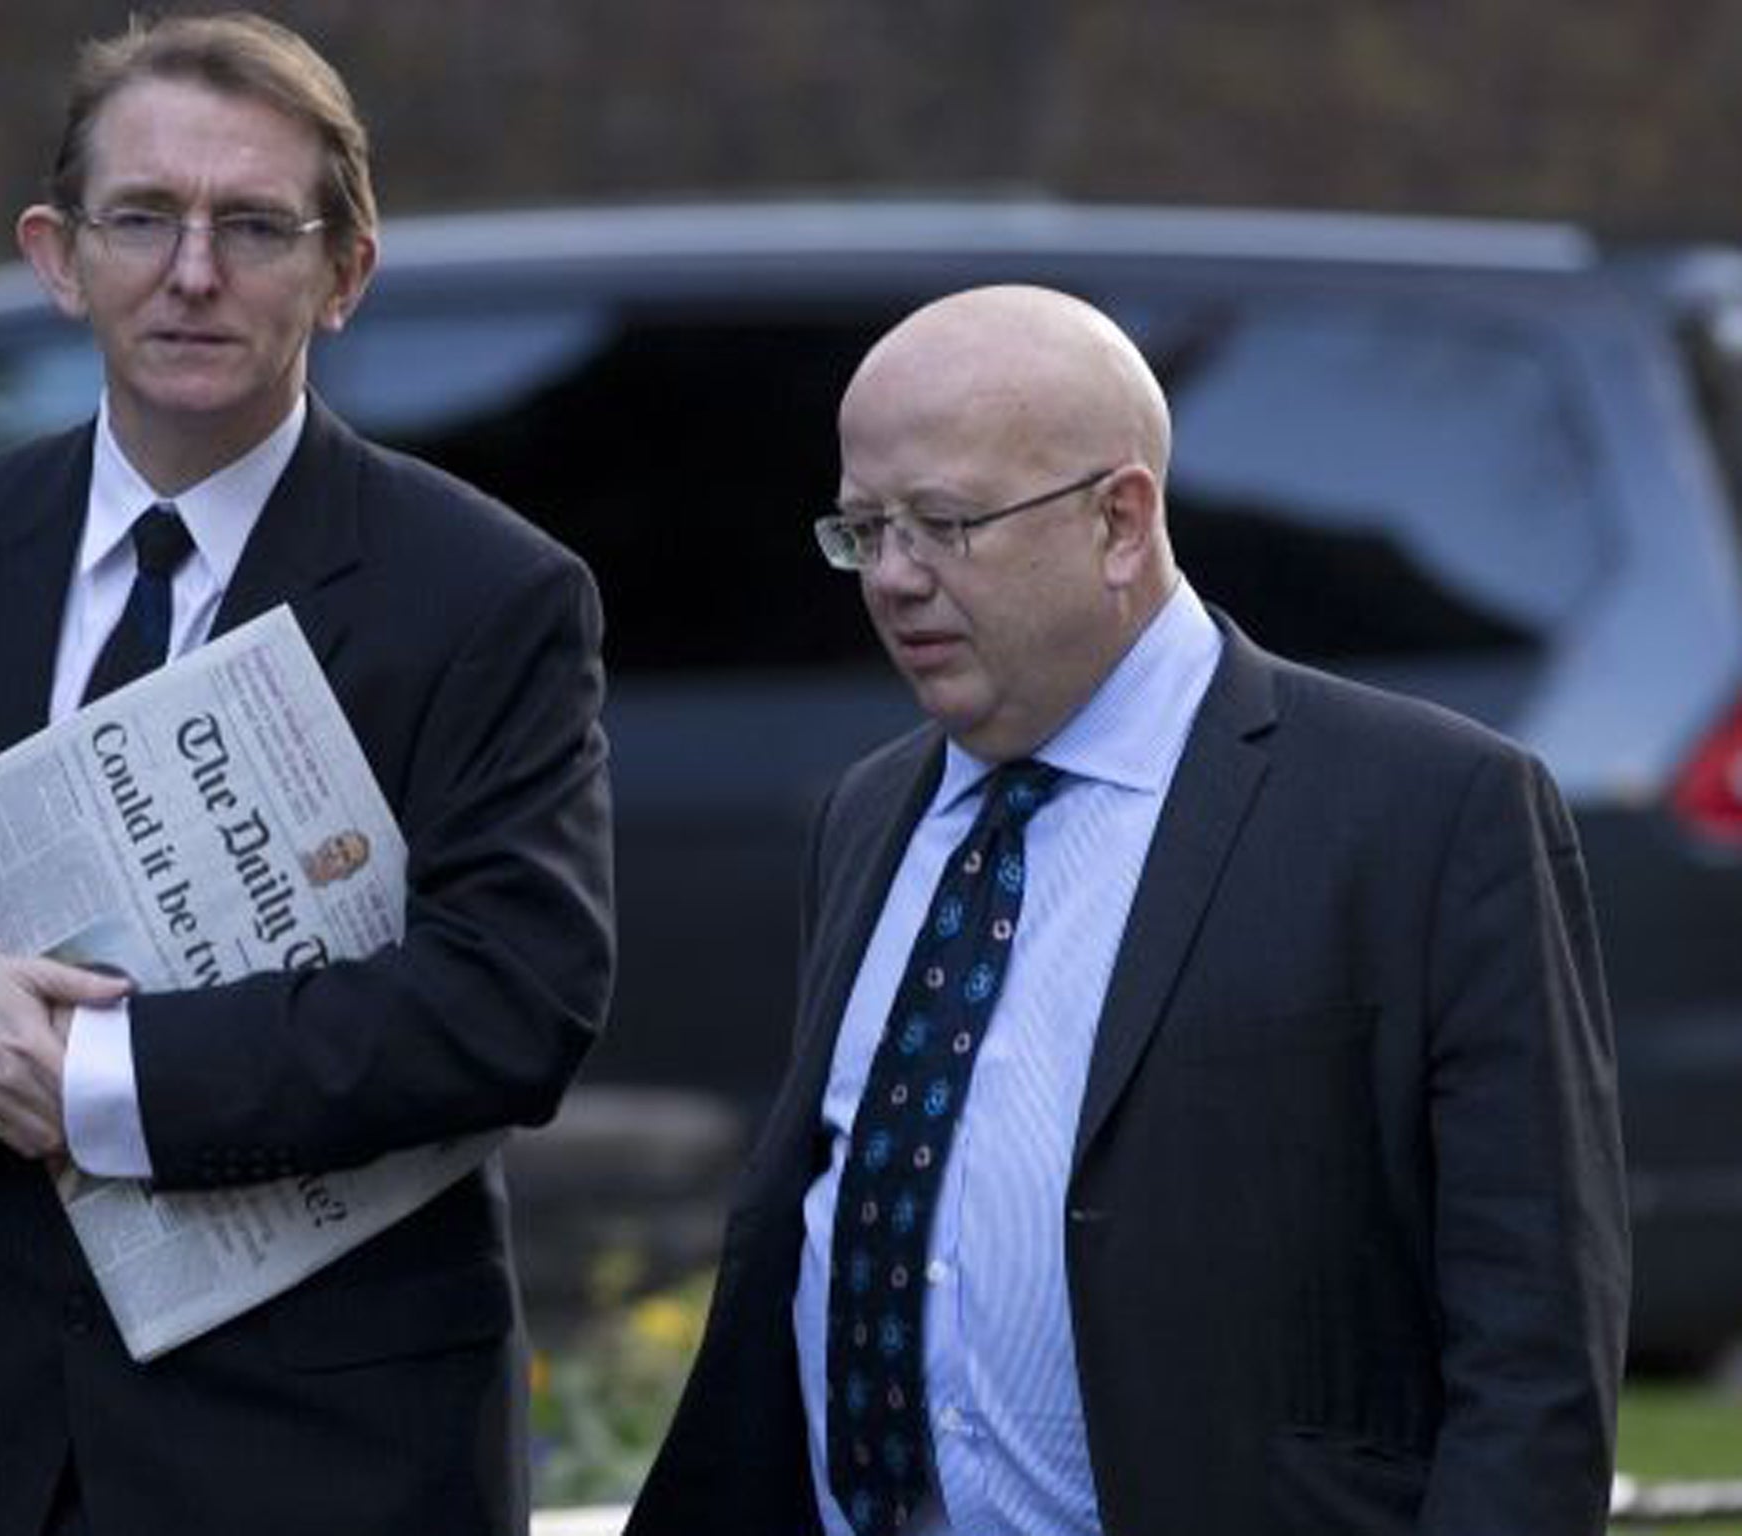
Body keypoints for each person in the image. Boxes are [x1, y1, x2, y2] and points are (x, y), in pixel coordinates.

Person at [0, 14, 612, 1536]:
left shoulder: (487, 593)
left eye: (255, 226)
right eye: (143, 217)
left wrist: (94, 1082)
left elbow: (513, 1002)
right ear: (57, 255)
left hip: (332, 1458)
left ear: (346, 274)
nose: (191, 272)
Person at [627, 285, 1627, 1536]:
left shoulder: (1428, 810)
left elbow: (1533, 1347)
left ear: (1118, 519)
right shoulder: (868, 816)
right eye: (861, 528)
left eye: (942, 524)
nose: (890, 578)